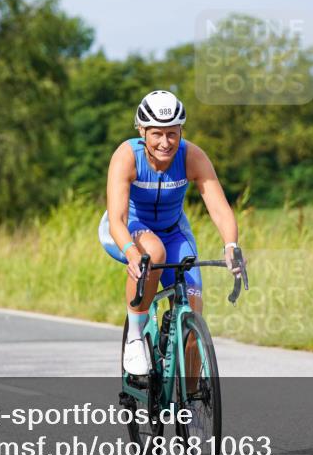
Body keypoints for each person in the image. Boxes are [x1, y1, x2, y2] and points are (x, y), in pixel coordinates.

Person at [99, 90, 241, 375]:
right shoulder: (127, 156)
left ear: (181, 131)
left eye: (172, 134)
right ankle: (135, 337)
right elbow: (117, 219)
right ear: (142, 130)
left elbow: (220, 208)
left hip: (175, 231)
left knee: (192, 318)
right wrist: (131, 254)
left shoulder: (192, 156)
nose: (166, 143)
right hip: (130, 229)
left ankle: (190, 405)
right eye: (157, 134)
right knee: (153, 253)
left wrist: (231, 245)